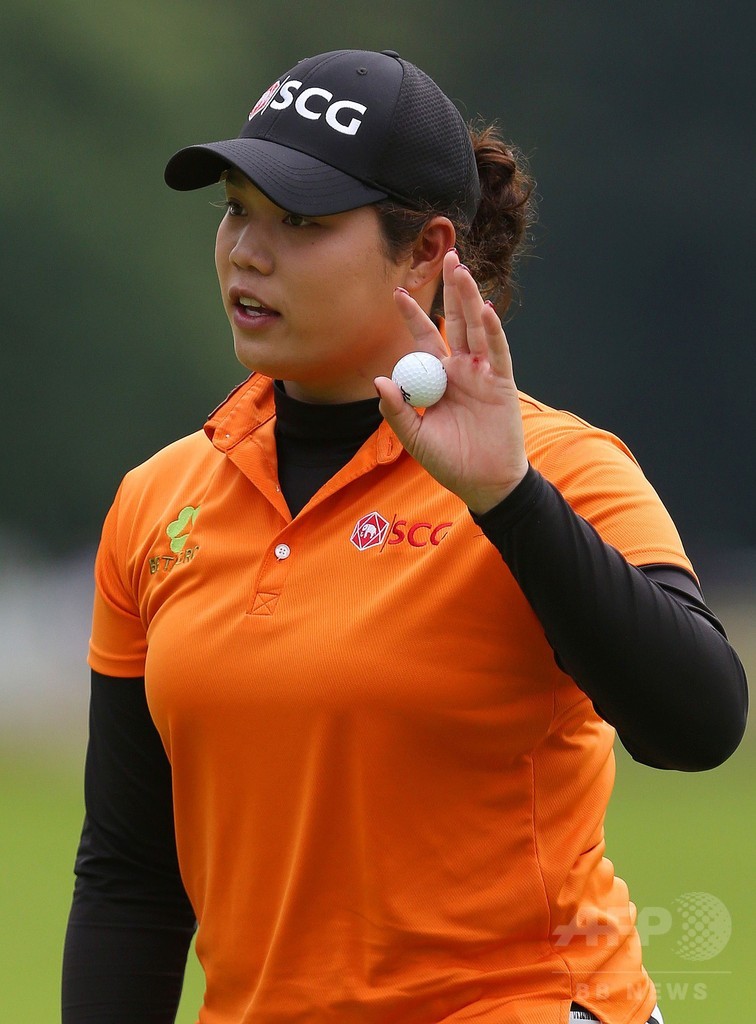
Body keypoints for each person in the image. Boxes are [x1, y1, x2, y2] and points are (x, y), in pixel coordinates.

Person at [62, 49, 747, 1024]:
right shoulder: (156, 500)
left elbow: (699, 724)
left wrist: (508, 499)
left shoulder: (559, 466)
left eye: (300, 222)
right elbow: (131, 873)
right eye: (236, 209)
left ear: (427, 251)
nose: (247, 251)